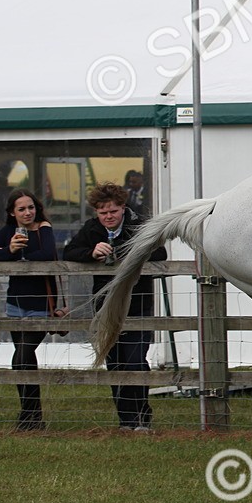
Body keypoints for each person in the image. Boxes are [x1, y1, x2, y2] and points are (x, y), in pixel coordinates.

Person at [63, 182, 166, 432]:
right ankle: (125, 421)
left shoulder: (138, 226)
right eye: (103, 212)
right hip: (106, 306)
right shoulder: (92, 229)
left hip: (137, 303)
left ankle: (142, 417)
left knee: (134, 360)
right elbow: (69, 251)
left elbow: (160, 253)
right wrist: (91, 252)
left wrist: (130, 254)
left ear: (123, 208)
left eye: (113, 211)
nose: (108, 217)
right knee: (115, 362)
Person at [0, 188, 65, 431]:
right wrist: (10, 250)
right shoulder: (8, 232)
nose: (28, 212)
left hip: (41, 305)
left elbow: (47, 255)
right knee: (25, 362)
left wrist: (12, 255)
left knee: (22, 356)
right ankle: (32, 417)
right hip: (15, 304)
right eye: (22, 209)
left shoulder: (44, 228)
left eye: (31, 207)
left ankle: (29, 415)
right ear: (12, 213)